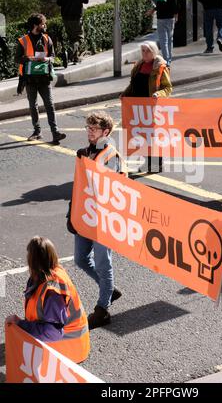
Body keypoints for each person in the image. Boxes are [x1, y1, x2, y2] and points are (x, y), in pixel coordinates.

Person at [67, 111, 126, 329]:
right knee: (81, 259)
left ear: (106, 132)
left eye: (94, 129)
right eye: (88, 128)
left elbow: (108, 189)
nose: (89, 132)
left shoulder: (111, 155)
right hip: (85, 215)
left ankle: (102, 309)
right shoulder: (86, 152)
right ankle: (109, 289)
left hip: (104, 218)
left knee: (103, 262)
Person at [5, 236, 90, 364]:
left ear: (32, 261)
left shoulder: (52, 291)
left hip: (68, 350)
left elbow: (53, 333)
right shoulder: (45, 275)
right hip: (67, 344)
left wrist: (21, 324)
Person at [120, 41, 172, 172]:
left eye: (147, 51)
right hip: (137, 106)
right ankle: (144, 161)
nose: (144, 53)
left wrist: (158, 94)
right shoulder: (138, 65)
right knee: (140, 135)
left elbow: (167, 88)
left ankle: (156, 163)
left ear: (154, 52)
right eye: (143, 51)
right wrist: (125, 94)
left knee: (152, 135)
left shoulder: (160, 66)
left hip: (152, 107)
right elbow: (133, 84)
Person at [15, 13, 66, 144]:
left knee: (49, 105)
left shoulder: (47, 39)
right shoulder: (23, 41)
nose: (44, 26)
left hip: (44, 78)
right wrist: (28, 59)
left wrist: (47, 58)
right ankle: (37, 132)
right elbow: (16, 59)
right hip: (29, 79)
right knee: (33, 106)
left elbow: (53, 56)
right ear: (35, 26)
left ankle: (55, 133)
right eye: (42, 24)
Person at [57, 0, 89, 64]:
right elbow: (86, 0)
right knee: (79, 38)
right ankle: (70, 51)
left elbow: (58, 3)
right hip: (76, 17)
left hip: (65, 17)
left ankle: (75, 58)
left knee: (71, 38)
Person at [147, 0, 179, 68]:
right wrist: (176, 14)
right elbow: (177, 1)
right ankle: (169, 58)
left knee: (163, 40)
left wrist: (153, 10)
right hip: (171, 17)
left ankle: (166, 60)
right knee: (170, 39)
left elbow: (160, 3)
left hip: (162, 17)